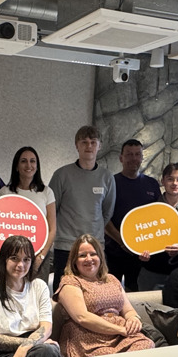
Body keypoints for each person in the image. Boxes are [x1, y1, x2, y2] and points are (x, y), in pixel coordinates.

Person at [49, 125, 116, 293]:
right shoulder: (61, 175)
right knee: (62, 295)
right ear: (76, 145)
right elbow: (51, 211)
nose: (89, 146)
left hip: (95, 249)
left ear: (99, 146)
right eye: (84, 142)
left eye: (93, 142)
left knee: (96, 294)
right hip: (66, 247)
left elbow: (107, 212)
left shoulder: (107, 177)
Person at [136, 162, 178, 291]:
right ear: (162, 181)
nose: (175, 183)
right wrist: (140, 254)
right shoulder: (149, 208)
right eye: (170, 179)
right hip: (152, 272)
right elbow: (139, 236)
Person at [104, 139, 160, 292]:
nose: (134, 158)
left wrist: (149, 246)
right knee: (110, 293)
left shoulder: (152, 184)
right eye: (129, 154)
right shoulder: (111, 183)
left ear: (142, 157)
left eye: (137, 154)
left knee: (136, 295)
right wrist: (123, 242)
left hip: (141, 255)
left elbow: (158, 218)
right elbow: (103, 217)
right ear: (121, 158)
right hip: (113, 251)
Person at [5, 147, 56, 284]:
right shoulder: (4, 192)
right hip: (12, 258)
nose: (29, 165)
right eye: (24, 161)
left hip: (39, 257)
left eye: (33, 161)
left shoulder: (46, 192)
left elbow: (52, 229)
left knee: (37, 296)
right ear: (16, 166)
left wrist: (40, 257)